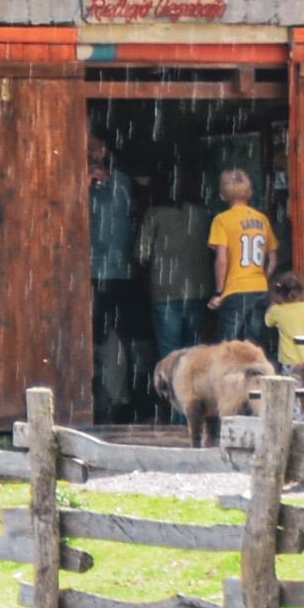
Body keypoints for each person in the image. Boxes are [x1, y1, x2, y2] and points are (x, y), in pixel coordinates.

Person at [89, 148, 142, 411]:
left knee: (113, 337)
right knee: (99, 336)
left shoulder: (121, 185)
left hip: (115, 274)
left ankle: (118, 398)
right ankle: (107, 398)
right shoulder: (92, 192)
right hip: (95, 272)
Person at [210, 167, 283, 355]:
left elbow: (222, 260)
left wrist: (219, 291)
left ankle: (226, 381)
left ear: (222, 196)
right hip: (259, 288)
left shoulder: (222, 220)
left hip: (236, 289)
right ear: (249, 193)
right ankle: (254, 380)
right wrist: (262, 277)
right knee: (254, 344)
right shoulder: (262, 219)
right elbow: (273, 258)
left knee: (226, 345)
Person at [140, 183, 213, 368]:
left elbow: (141, 253)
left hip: (165, 289)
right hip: (198, 288)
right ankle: (190, 392)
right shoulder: (204, 215)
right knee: (193, 350)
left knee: (169, 352)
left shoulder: (155, 215)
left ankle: (171, 393)